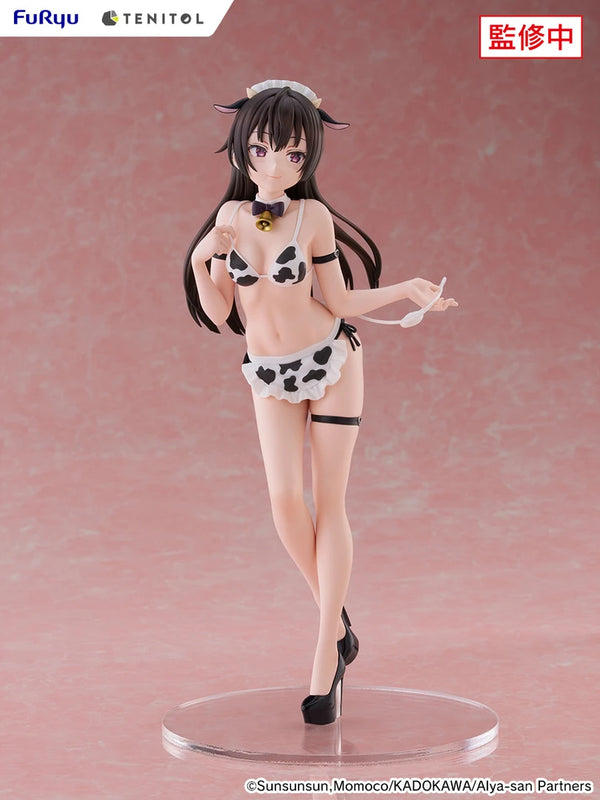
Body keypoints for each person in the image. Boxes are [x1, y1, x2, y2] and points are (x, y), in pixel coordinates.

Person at [183, 79, 458, 725]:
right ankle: (339, 628)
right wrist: (201, 261)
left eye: (293, 154)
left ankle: (323, 658)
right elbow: (222, 313)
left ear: (308, 158)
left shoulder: (314, 219)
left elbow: (338, 301)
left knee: (329, 502)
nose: (276, 165)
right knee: (284, 501)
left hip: (331, 362)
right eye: (261, 150)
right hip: (267, 371)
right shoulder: (230, 220)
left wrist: (404, 290)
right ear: (240, 149)